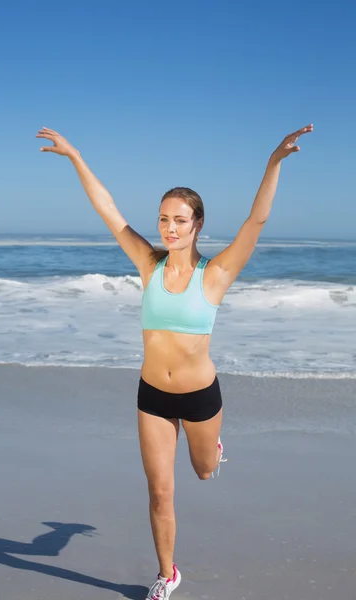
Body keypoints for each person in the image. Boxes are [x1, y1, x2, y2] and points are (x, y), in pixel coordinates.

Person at [36, 123, 313, 599]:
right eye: (164, 219)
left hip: (201, 396)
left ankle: (215, 448)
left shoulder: (217, 273)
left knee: (204, 471)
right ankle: (168, 574)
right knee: (160, 492)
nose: (169, 227)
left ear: (197, 224)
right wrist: (76, 156)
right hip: (152, 397)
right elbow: (109, 212)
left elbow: (256, 223)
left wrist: (273, 164)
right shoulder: (149, 264)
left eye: (180, 220)